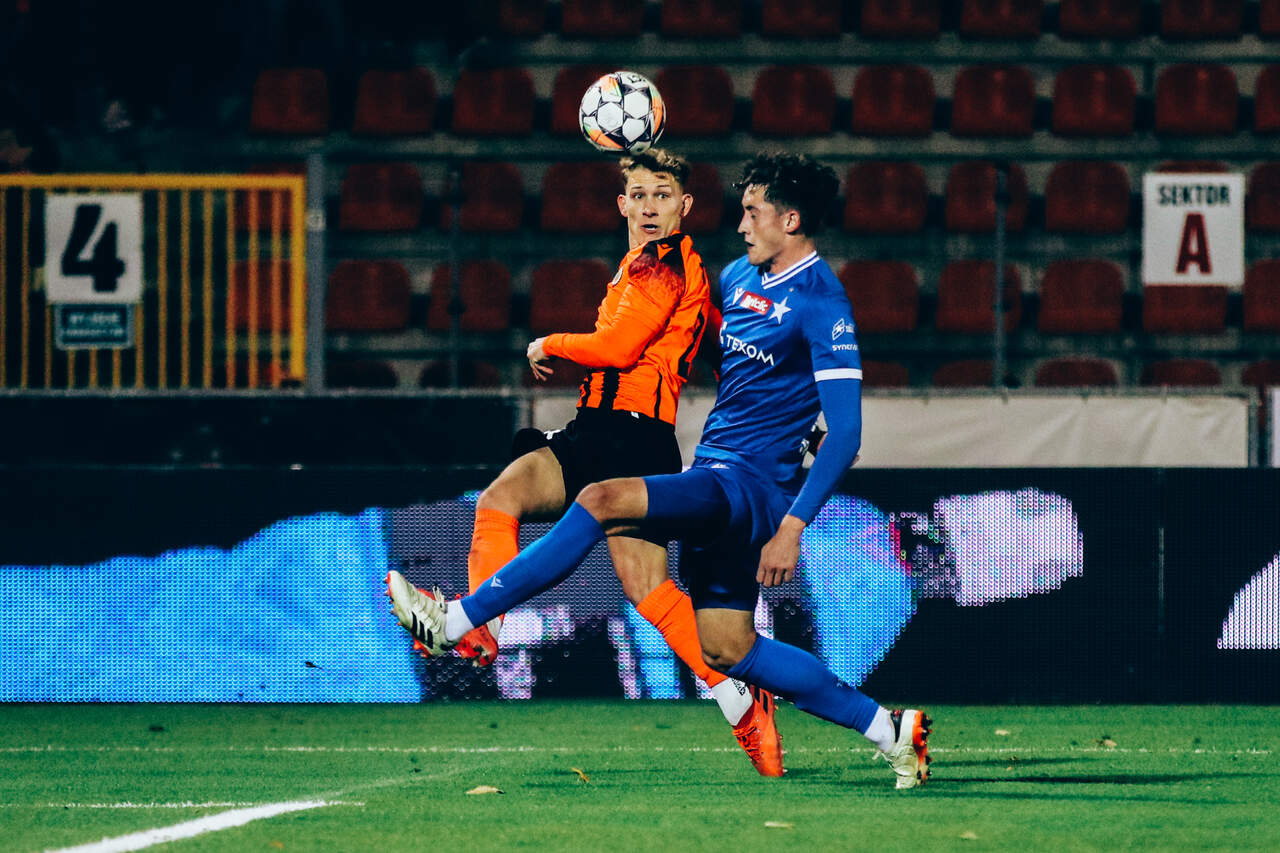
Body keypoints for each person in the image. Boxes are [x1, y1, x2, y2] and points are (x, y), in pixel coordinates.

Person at [389, 152, 934, 789]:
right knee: (728, 647)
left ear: (790, 220)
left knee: (599, 500)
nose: (741, 224)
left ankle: (457, 621)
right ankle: (891, 731)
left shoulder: (823, 303)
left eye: (753, 212)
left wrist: (792, 525)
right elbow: (720, 350)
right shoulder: (736, 276)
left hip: (749, 487)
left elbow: (847, 435)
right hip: (713, 468)